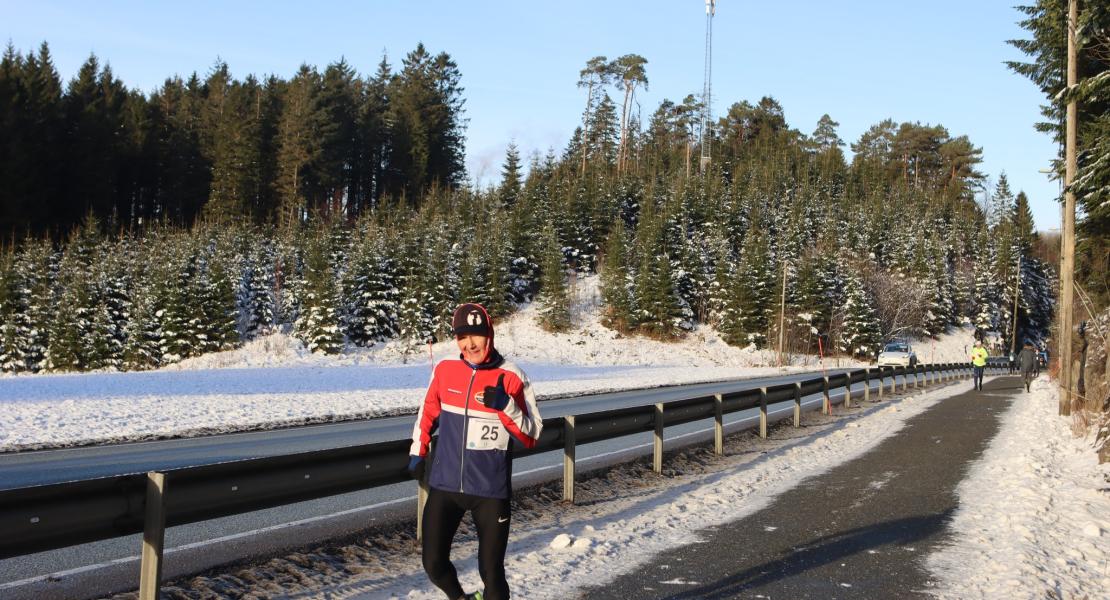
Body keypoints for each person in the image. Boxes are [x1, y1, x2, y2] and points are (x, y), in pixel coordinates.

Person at [407, 303, 543, 600]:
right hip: (445, 485)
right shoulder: (445, 369)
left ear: (490, 335)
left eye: (477, 336)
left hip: (490, 491)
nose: (469, 344)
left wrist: (506, 405)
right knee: (433, 563)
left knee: (491, 573)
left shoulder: (512, 376)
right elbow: (428, 411)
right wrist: (418, 448)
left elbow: (532, 434)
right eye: (462, 337)